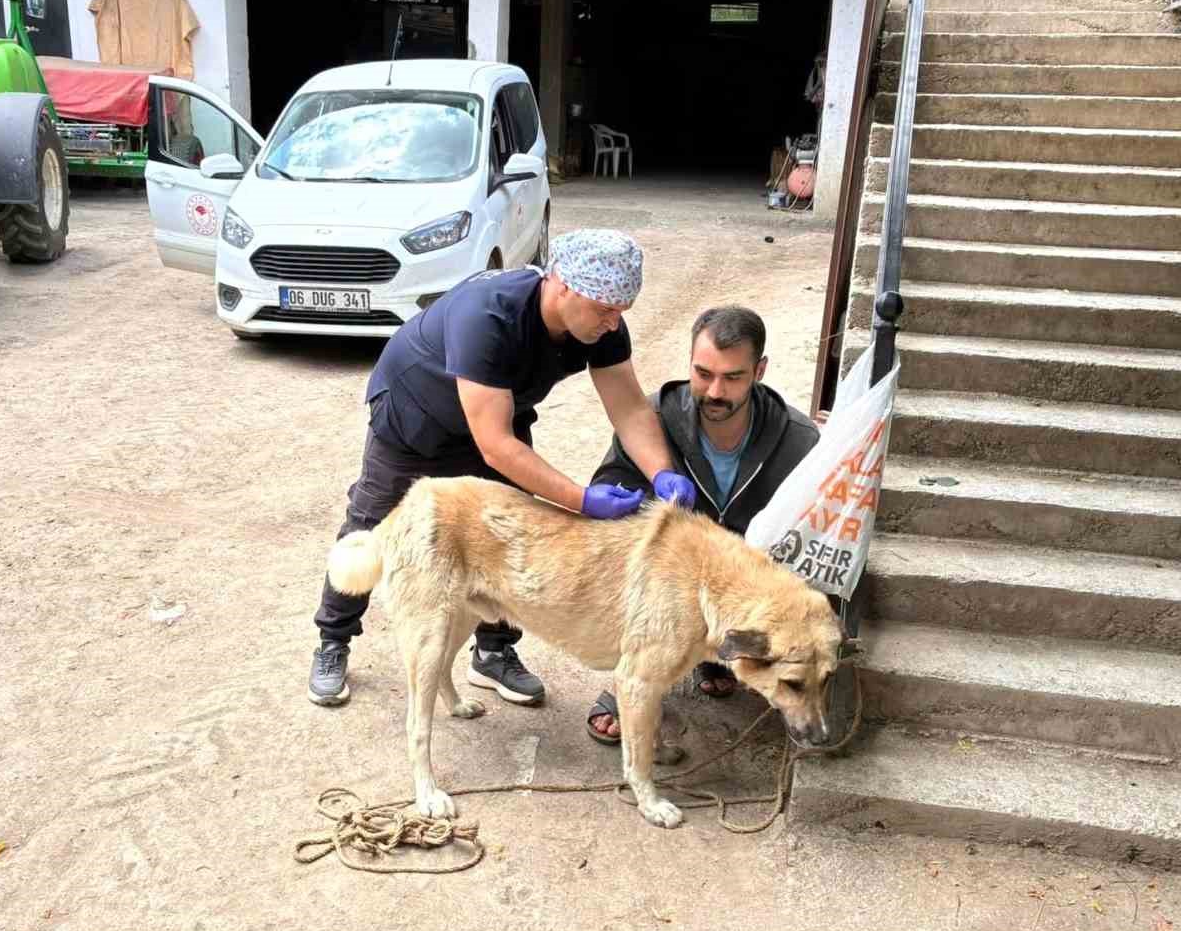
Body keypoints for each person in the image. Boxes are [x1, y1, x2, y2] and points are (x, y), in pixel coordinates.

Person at [307, 229, 698, 707]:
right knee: (373, 519)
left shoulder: (602, 323)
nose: (613, 323)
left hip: (497, 414)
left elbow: (630, 409)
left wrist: (661, 472)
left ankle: (493, 653)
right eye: (604, 309)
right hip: (416, 416)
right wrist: (581, 500)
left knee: (510, 531)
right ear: (562, 285)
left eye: (622, 312)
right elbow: (495, 446)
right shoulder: (488, 315)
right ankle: (334, 639)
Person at [584, 305, 820, 744]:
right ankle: (630, 678)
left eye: (733, 377)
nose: (715, 391)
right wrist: (634, 504)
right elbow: (607, 489)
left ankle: (721, 657)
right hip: (671, 584)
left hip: (746, 583)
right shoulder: (651, 418)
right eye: (703, 373)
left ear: (760, 371)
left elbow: (817, 536)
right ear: (689, 362)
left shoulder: (800, 440)